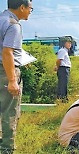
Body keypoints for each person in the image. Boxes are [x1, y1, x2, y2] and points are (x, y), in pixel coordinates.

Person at [0, 0, 33, 153]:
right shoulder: (13, 24)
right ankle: (7, 148)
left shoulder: (1, 19)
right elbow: (7, 52)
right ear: (22, 7)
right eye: (30, 8)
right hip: (6, 72)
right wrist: (13, 80)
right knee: (10, 111)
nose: (30, 12)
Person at [55, 37, 72, 103]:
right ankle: (62, 98)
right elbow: (59, 60)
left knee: (64, 84)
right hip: (63, 69)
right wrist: (57, 66)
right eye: (68, 43)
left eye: (70, 43)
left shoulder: (65, 51)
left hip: (65, 69)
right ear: (64, 43)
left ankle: (63, 98)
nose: (69, 44)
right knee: (63, 84)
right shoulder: (62, 51)